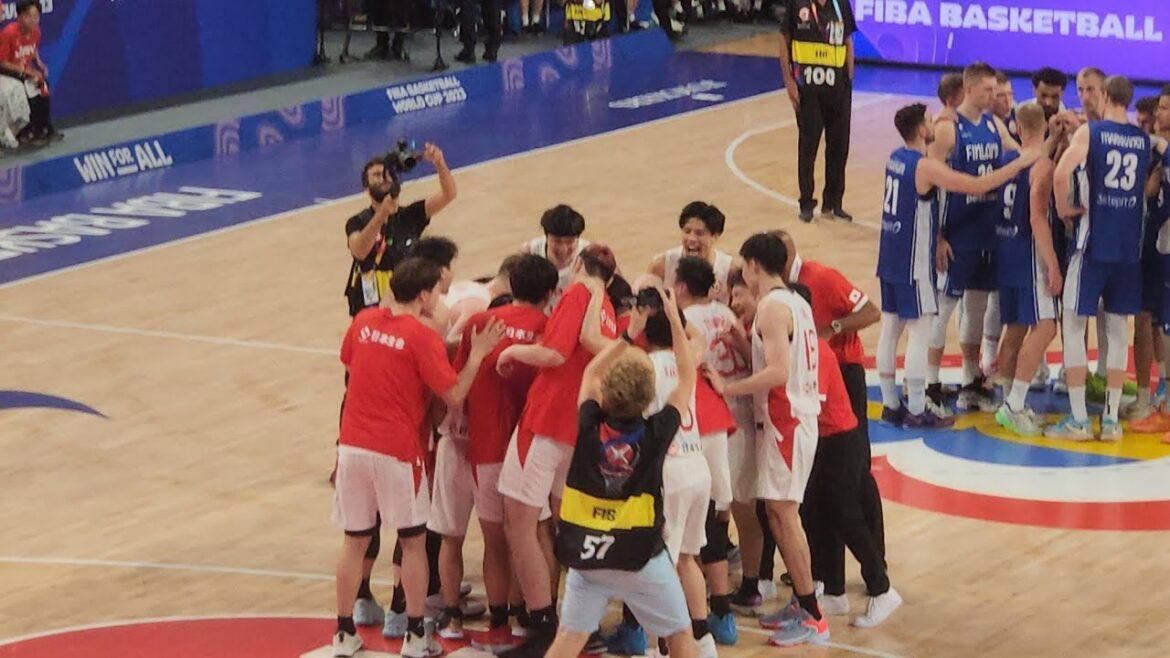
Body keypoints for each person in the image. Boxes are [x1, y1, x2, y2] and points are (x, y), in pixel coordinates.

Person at [331, 257, 503, 658]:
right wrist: (476, 355)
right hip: (396, 450)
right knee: (412, 542)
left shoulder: (362, 322)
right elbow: (454, 394)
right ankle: (414, 635)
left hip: (351, 444)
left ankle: (343, 632)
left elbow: (351, 364)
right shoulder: (421, 337)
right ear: (424, 295)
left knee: (354, 541)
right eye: (438, 294)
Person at [545, 295, 698, 658]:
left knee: (569, 637)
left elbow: (591, 373)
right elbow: (687, 376)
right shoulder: (657, 433)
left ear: (606, 396)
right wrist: (675, 322)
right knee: (679, 635)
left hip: (586, 554)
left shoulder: (588, 425)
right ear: (648, 399)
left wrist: (628, 335)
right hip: (638, 555)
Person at [877, 103, 1038, 429]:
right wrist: (1020, 163)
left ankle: (891, 405)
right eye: (929, 121)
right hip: (913, 262)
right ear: (920, 130)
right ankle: (918, 407)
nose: (934, 123)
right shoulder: (925, 167)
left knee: (890, 330)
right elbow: (976, 186)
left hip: (889, 256)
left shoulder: (895, 157)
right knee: (919, 333)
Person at [496, 243, 620, 658]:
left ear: (579, 264)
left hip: (547, 420)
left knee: (519, 522)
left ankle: (545, 627)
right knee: (561, 526)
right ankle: (576, 623)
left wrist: (512, 350)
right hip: (578, 426)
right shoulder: (606, 309)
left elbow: (555, 353)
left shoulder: (578, 291)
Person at [430, 255, 559, 650]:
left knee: (495, 543)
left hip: (484, 446)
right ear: (551, 293)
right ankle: (533, 618)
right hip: (532, 446)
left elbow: (457, 383)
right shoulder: (551, 328)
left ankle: (499, 623)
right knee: (534, 536)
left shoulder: (479, 323)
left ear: (510, 285)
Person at [707, 232, 826, 647]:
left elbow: (777, 372)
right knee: (777, 513)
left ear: (755, 265)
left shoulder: (772, 308)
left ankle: (812, 614)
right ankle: (801, 603)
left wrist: (728, 387)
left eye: (745, 267)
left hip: (785, 421)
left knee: (784, 514)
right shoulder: (794, 301)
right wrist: (741, 342)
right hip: (791, 418)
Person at [1046, 76, 1158, 441]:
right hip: (1128, 248)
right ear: (1131, 100)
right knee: (1117, 331)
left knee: (1074, 324)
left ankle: (1079, 419)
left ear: (1106, 95)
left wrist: (1063, 208)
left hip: (1092, 243)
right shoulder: (1142, 140)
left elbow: (1061, 174)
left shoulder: (1090, 133)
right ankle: (1110, 420)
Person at [786, 281, 901, 628]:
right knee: (819, 514)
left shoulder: (816, 351)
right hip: (825, 440)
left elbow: (808, 403)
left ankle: (882, 589)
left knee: (846, 514)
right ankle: (834, 591)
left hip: (840, 440)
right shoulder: (801, 348)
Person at [927, 62, 1020, 416]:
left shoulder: (995, 125)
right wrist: (937, 237)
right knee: (943, 308)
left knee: (977, 308)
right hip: (957, 233)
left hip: (988, 231)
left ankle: (970, 381)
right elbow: (929, 183)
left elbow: (1020, 155)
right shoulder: (948, 129)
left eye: (995, 90)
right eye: (987, 90)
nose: (993, 96)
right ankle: (930, 385)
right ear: (969, 89)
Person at [992, 103, 1065, 436]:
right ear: (1045, 126)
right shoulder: (1043, 167)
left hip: (1005, 251)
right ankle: (1014, 404)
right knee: (1047, 327)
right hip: (1029, 254)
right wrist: (1053, 265)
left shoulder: (1009, 160)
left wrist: (1052, 141)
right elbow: (1037, 218)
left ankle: (1009, 401)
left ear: (1017, 128)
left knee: (1015, 329)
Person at [344, 145, 457, 317]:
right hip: (369, 300)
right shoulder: (357, 221)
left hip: (405, 294)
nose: (383, 178)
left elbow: (449, 194)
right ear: (366, 187)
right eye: (376, 175)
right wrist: (382, 214)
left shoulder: (410, 215)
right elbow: (359, 251)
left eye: (386, 173)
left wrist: (440, 163)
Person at [778, 0, 857, 223]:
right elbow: (784, 39)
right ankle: (806, 202)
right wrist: (789, 81)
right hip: (808, 89)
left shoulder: (840, 4)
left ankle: (833, 203)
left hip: (837, 88)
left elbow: (848, 41)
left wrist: (849, 79)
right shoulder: (798, 4)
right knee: (808, 147)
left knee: (839, 148)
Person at [647, 201, 734, 303]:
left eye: (699, 233)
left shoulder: (729, 271)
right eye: (687, 231)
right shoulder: (661, 266)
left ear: (715, 236)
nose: (691, 238)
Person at [0, 0, 60, 146]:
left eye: (36, 16)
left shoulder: (36, 32)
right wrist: (25, 71)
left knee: (43, 84)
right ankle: (27, 132)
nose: (33, 20)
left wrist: (39, 64)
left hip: (25, 71)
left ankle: (44, 126)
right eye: (29, 16)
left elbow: (33, 50)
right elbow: (2, 63)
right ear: (19, 16)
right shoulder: (8, 33)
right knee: (29, 86)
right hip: (9, 71)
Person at [519, 204, 589, 311]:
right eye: (556, 241)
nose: (563, 249)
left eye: (569, 242)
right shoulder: (530, 252)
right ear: (546, 237)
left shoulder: (590, 256)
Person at [992, 71, 1020, 144]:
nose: (1007, 101)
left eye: (1010, 94)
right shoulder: (981, 121)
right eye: (1001, 96)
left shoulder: (1018, 113)